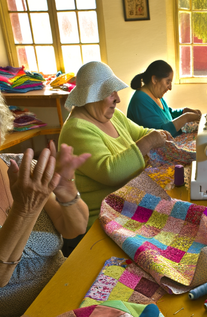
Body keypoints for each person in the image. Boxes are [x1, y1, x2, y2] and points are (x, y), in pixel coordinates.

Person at [0, 68, 90, 317]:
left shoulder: (18, 165)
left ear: (0, 123)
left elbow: (74, 228)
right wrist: (26, 208)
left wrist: (65, 189)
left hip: (61, 297)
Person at [59, 61, 170, 230]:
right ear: (91, 96)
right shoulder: (76, 130)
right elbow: (110, 171)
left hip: (126, 206)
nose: (117, 98)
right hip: (102, 219)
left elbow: (140, 133)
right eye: (110, 93)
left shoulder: (112, 115)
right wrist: (149, 142)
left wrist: (159, 135)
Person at [127, 60, 201, 137]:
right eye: (167, 82)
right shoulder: (140, 100)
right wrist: (186, 117)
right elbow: (159, 134)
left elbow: (166, 114)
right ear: (154, 79)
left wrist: (183, 111)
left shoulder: (155, 95)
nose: (170, 87)